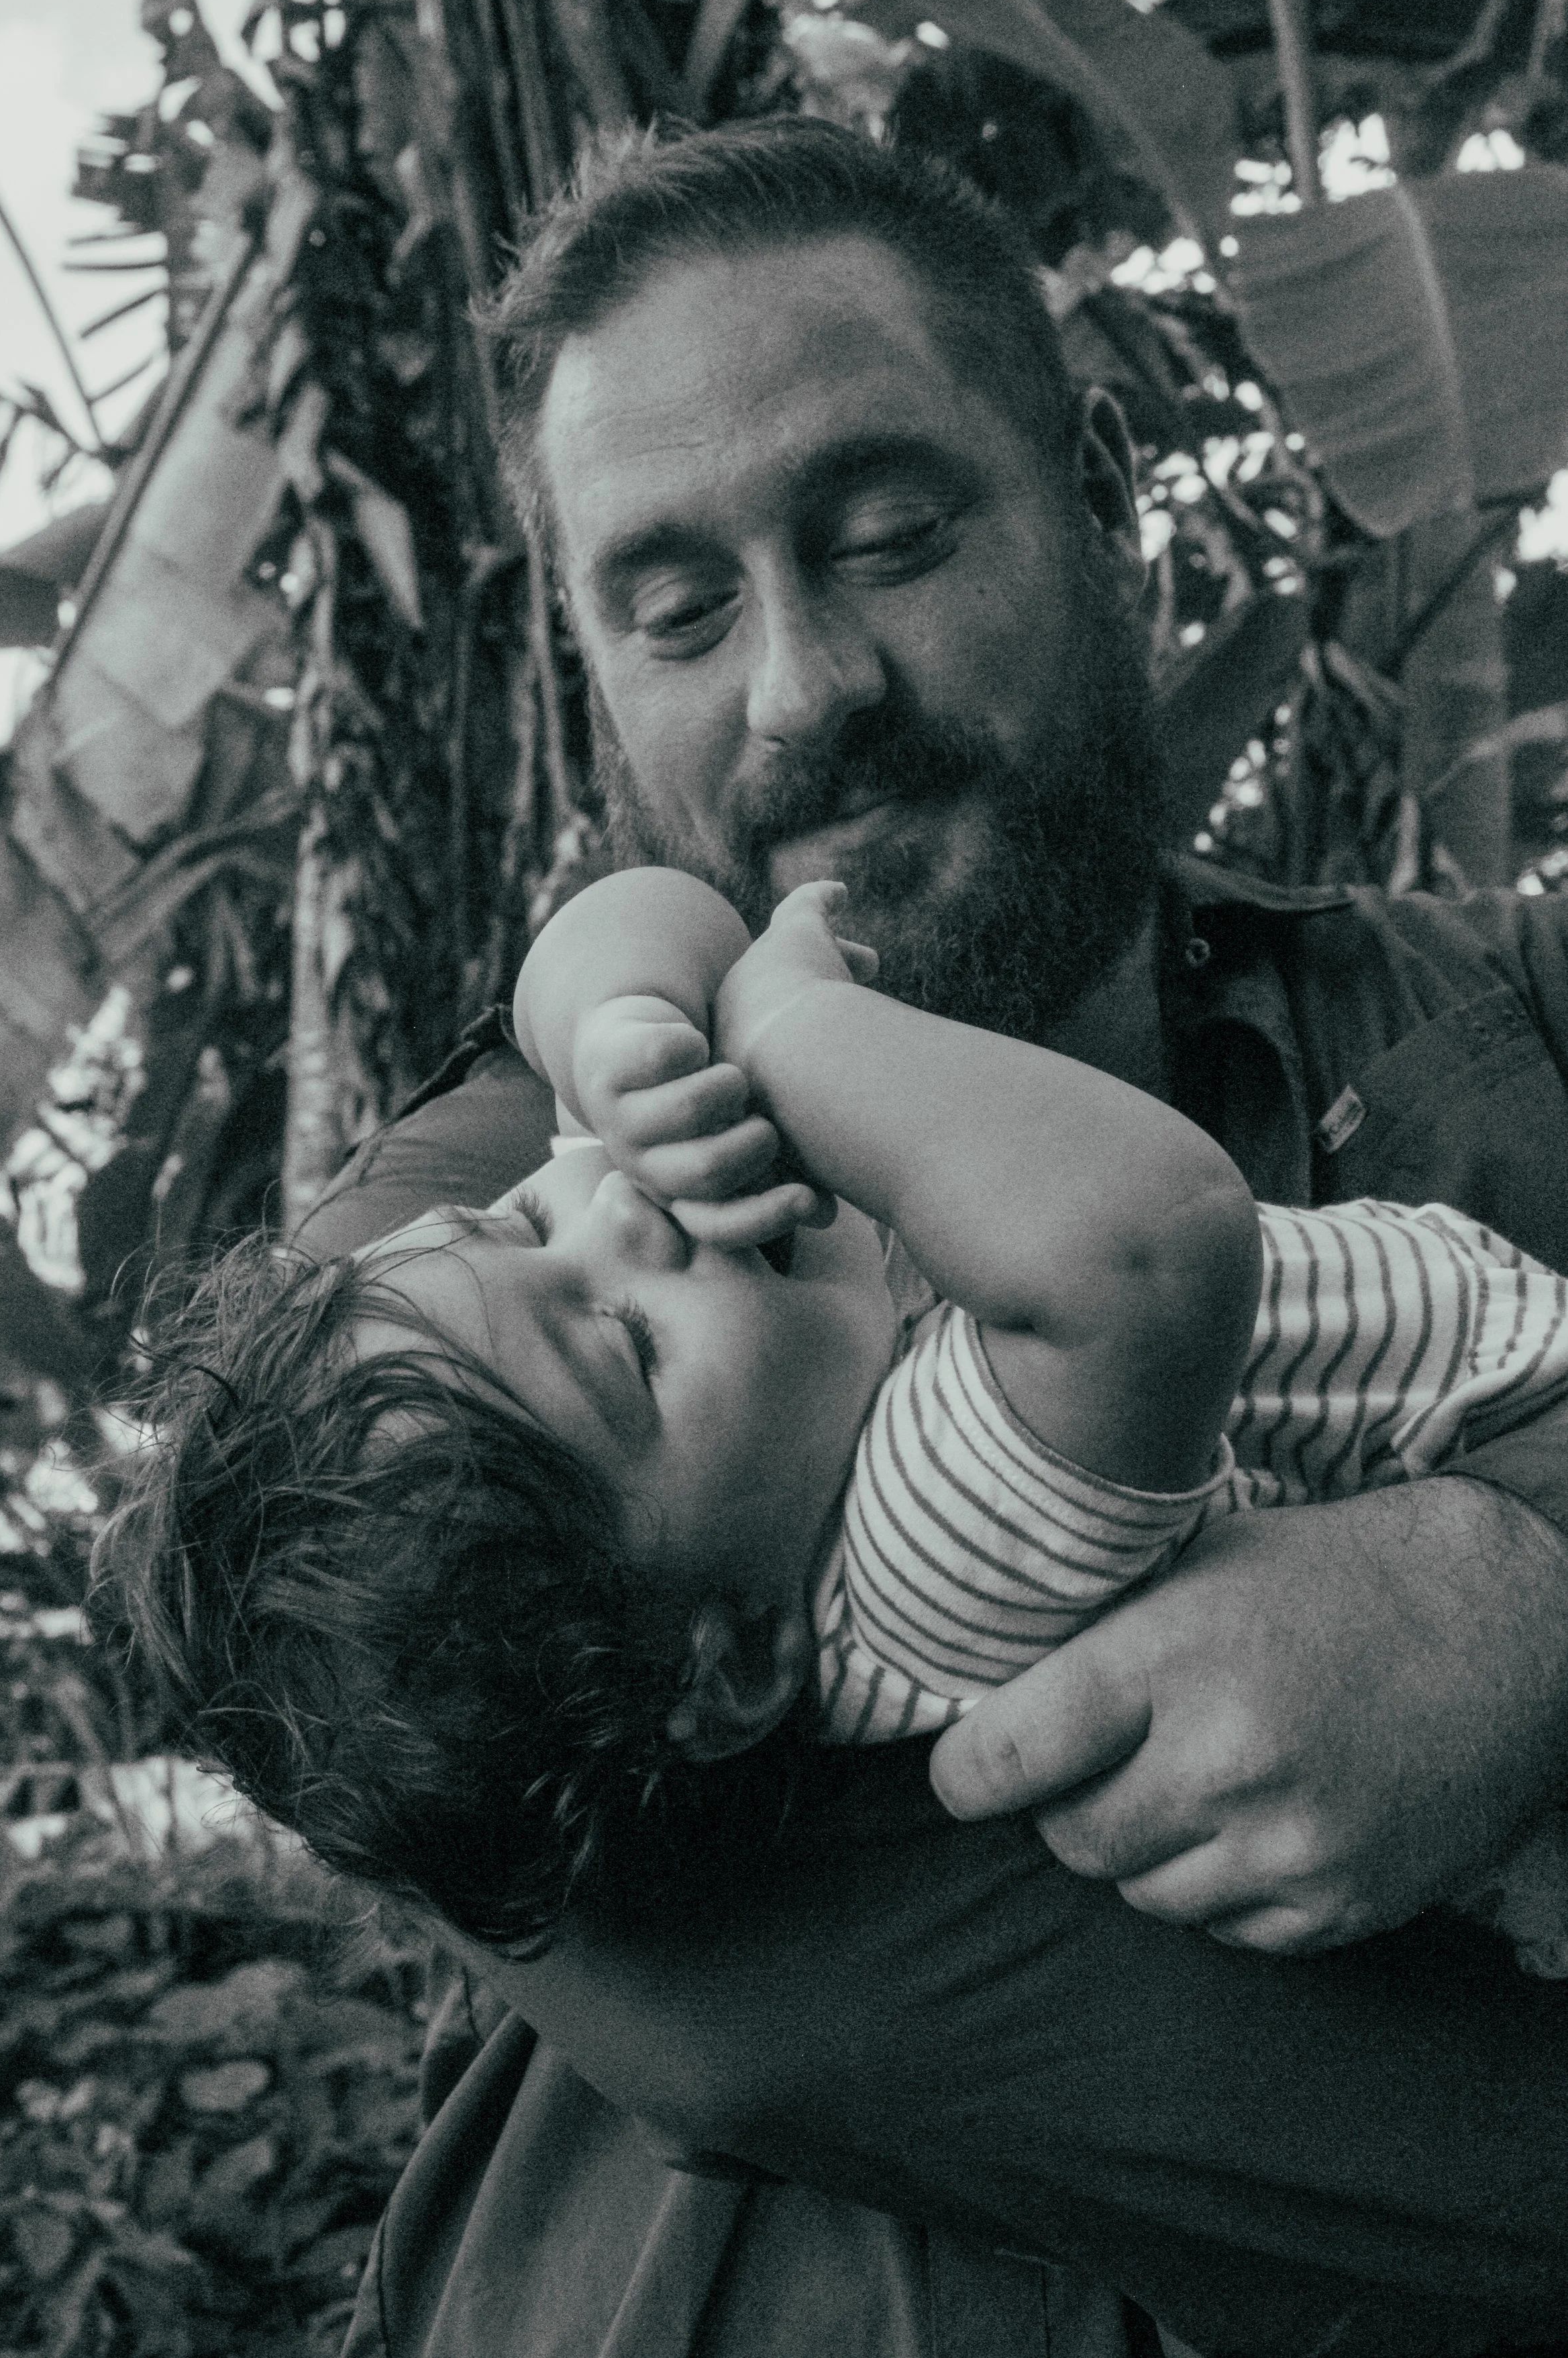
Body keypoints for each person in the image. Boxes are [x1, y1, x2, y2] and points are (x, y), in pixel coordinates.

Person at [162, 115, 1568, 2355]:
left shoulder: (1505, 1014)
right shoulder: (499, 1210)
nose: (805, 688)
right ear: (596, 667)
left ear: (1094, 481)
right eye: (676, 607)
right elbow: (717, 1990)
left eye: (891, 534)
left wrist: (1532, 1587)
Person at [103, 861, 1568, 1984]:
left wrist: (617, 1026)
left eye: (512, 1215)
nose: (615, 1204)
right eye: (621, 1344)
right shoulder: (913, 1561)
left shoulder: (731, 1328)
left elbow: (626, 914)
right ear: (733, 1661)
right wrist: (795, 1022)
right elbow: (1148, 1251)